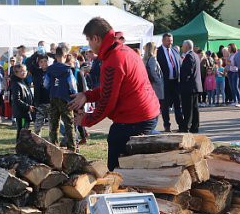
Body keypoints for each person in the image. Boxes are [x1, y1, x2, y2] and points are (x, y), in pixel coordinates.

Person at [69, 18, 159, 171]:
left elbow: (107, 102)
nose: (89, 45)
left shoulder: (114, 60)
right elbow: (110, 89)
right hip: (145, 113)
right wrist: (87, 96)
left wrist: (86, 119)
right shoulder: (122, 51)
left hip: (135, 119)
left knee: (118, 168)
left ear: (96, 38)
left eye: (89, 41)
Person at [45, 44, 77, 149]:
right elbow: (72, 84)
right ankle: (72, 147)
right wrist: (74, 95)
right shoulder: (67, 69)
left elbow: (46, 84)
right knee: (69, 124)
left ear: (55, 56)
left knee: (53, 124)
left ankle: (53, 147)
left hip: (53, 97)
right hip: (65, 98)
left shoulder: (49, 69)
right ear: (65, 56)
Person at [155, 33, 182, 132]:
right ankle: (167, 126)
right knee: (165, 106)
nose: (170, 43)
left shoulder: (175, 51)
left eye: (171, 40)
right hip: (164, 83)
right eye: (168, 41)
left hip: (175, 82)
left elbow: (179, 64)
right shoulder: (158, 52)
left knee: (177, 104)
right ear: (163, 41)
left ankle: (181, 125)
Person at [177, 40, 202, 133]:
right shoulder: (195, 55)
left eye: (183, 46)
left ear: (186, 47)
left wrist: (182, 82)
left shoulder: (189, 56)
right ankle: (194, 126)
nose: (182, 48)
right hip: (195, 86)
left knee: (188, 108)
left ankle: (186, 126)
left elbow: (188, 71)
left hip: (189, 87)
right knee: (194, 107)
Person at [9, 63, 34, 140]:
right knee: (22, 130)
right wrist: (27, 106)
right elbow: (17, 99)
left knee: (25, 130)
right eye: (21, 71)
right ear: (16, 73)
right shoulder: (16, 84)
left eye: (25, 71)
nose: (24, 72)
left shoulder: (23, 82)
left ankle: (23, 146)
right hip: (21, 112)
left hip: (26, 111)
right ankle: (20, 145)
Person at [30, 55, 51, 136]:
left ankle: (54, 141)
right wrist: (37, 53)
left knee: (53, 125)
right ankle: (37, 141)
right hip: (40, 103)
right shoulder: (36, 72)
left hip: (51, 102)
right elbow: (29, 63)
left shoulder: (52, 71)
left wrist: (50, 53)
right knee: (37, 126)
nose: (43, 63)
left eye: (45, 61)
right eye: (41, 62)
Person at [142, 43, 164, 120]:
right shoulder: (152, 59)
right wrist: (159, 81)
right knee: (156, 106)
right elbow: (153, 72)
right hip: (155, 86)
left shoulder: (144, 59)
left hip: (149, 85)